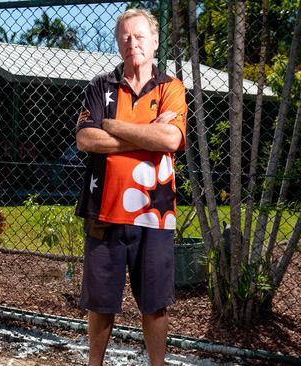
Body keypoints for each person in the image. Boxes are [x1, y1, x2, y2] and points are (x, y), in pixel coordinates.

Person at [75, 8, 188, 366]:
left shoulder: (171, 87)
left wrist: (113, 126)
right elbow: (86, 139)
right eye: (125, 37)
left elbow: (170, 137)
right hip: (103, 210)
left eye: (139, 36)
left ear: (155, 42)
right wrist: (146, 134)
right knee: (100, 304)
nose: (132, 42)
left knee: (155, 304)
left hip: (155, 213)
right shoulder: (100, 86)